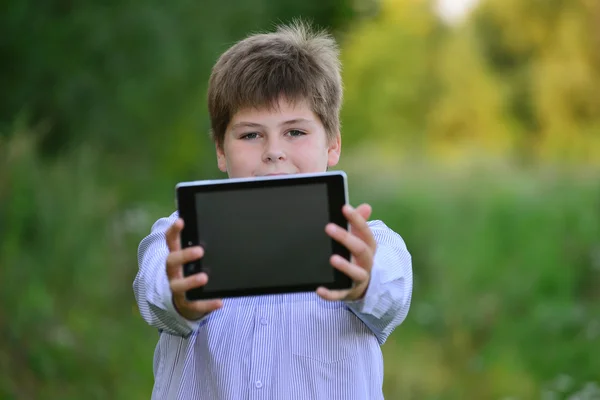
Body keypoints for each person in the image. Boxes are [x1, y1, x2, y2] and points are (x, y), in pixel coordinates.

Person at [133, 20, 413, 400]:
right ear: (220, 150)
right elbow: (155, 292)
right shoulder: (180, 235)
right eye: (250, 134)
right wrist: (179, 298)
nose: (273, 151)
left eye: (295, 132)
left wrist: (365, 283)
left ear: (332, 145)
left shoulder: (370, 241)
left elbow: (391, 294)